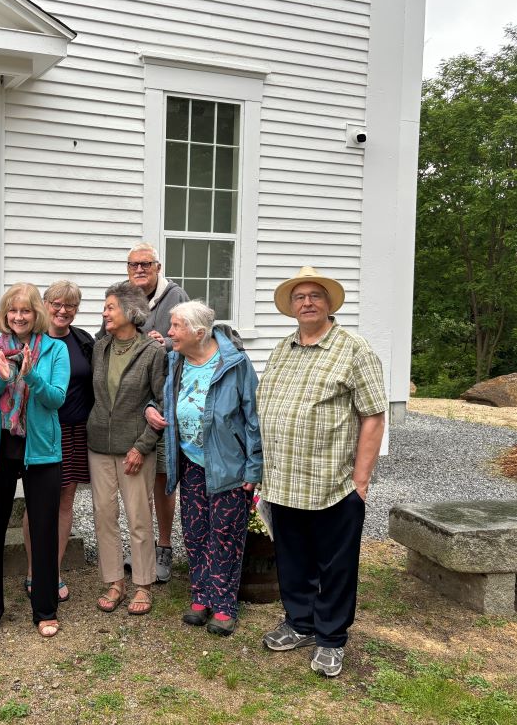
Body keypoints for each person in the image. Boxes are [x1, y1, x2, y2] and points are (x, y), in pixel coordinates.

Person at [256, 266, 387, 678]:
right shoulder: (282, 349)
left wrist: (360, 481)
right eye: (300, 296)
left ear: (329, 304)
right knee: (292, 559)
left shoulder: (354, 349)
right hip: (284, 480)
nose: (307, 302)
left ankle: (331, 638)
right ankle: (300, 622)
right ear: (291, 306)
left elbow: (373, 416)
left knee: (336, 564)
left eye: (315, 295)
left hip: (333, 484)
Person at [147, 300, 261, 636]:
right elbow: (161, 398)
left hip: (229, 465)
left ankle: (224, 605)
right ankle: (201, 596)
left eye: (176, 326)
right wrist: (151, 411)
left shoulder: (235, 364)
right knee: (196, 533)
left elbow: (254, 419)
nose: (170, 333)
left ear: (200, 332)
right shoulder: (175, 362)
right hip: (190, 462)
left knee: (225, 535)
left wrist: (254, 468)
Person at [0, 283, 69, 641]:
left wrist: (30, 375)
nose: (19, 317)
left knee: (44, 530)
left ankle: (45, 610)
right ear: (5, 314)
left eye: (26, 310)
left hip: (41, 450)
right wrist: (3, 381)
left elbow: (56, 398)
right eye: (13, 311)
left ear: (36, 314)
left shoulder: (55, 350)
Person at [99, 242, 188, 583]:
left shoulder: (176, 298)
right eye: (133, 264)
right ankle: (143, 548)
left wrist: (164, 342)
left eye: (145, 264)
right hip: (129, 409)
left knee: (162, 478)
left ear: (158, 266)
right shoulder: (122, 297)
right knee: (139, 483)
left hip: (162, 402)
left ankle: (163, 546)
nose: (139, 270)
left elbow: (191, 338)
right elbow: (106, 337)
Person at [88, 281, 166, 616]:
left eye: (110, 307)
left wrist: (143, 446)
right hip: (99, 446)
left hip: (136, 449)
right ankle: (114, 582)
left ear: (130, 312)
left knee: (138, 517)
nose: (105, 312)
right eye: (105, 307)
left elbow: (163, 404)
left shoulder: (152, 351)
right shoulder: (99, 347)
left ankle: (143, 585)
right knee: (104, 516)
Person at [22, 281, 95, 603]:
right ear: (45, 304)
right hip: (41, 430)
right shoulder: (32, 340)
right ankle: (32, 572)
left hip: (76, 430)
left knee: (66, 500)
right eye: (57, 304)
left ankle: (53, 571)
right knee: (38, 501)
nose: (63, 310)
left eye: (71, 306)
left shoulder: (83, 342)